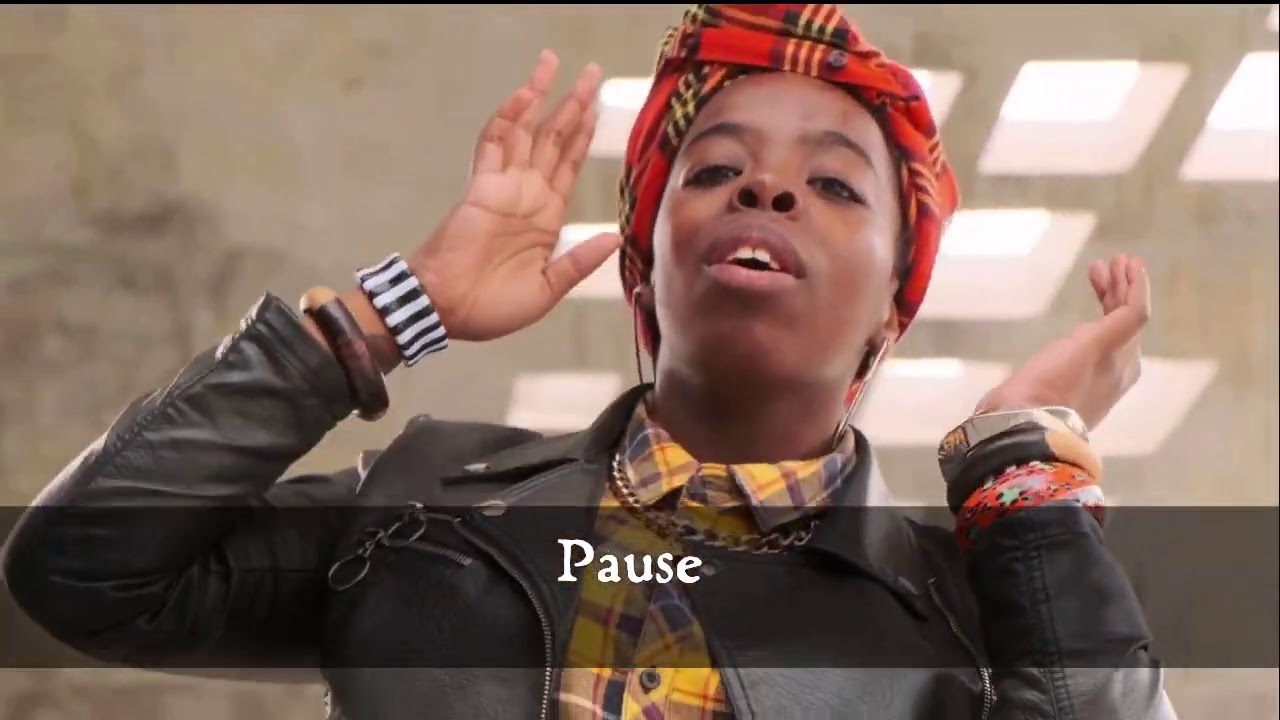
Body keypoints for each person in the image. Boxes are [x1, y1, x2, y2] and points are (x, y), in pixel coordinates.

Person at [3, 4, 1173, 720]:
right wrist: (388, 314)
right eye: (714, 171)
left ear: (888, 316)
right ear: (643, 274)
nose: (766, 189)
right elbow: (86, 572)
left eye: (830, 183)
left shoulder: (965, 600)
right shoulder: (421, 505)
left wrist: (1022, 473)